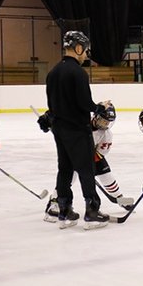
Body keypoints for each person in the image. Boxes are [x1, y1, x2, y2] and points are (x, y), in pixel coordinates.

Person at [40, 31, 109, 230]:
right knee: (86, 169)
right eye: (85, 50)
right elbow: (84, 103)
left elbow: (51, 105)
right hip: (78, 130)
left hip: (59, 130)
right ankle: (92, 211)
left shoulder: (53, 72)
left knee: (65, 169)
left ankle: (64, 211)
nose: (86, 54)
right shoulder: (78, 73)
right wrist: (100, 107)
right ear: (78, 48)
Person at [43, 103, 135, 222]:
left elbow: (99, 154)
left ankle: (118, 197)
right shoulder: (81, 123)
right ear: (95, 117)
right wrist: (50, 118)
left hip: (91, 157)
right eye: (103, 121)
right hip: (72, 155)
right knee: (69, 179)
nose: (105, 125)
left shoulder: (106, 135)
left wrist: (85, 164)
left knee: (107, 176)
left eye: (108, 122)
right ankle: (54, 202)